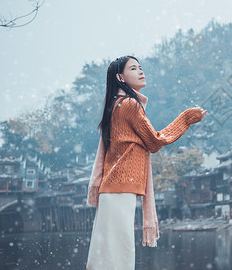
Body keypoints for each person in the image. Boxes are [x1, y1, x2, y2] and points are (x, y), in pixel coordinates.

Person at [86, 55, 207, 269]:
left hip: (113, 188)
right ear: (120, 77)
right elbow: (154, 141)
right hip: (121, 187)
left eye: (140, 67)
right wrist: (186, 118)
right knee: (119, 253)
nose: (141, 71)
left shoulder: (115, 105)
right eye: (133, 68)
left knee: (106, 252)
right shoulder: (130, 105)